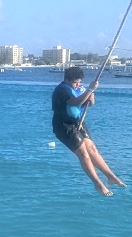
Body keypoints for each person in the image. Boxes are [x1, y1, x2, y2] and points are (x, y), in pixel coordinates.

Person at [51, 66, 125, 196]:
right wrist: (90, 89)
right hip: (63, 126)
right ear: (66, 80)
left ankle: (111, 177)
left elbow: (89, 103)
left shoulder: (80, 89)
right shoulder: (61, 90)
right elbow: (75, 102)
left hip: (78, 123)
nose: (77, 85)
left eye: (79, 82)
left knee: (93, 150)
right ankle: (98, 183)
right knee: (83, 154)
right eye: (75, 82)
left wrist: (91, 96)